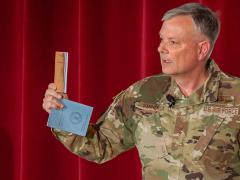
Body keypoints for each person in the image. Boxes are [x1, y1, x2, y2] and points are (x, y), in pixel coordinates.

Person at [42, 3, 240, 180]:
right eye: (161, 40)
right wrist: (62, 111)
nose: (160, 48)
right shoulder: (144, 93)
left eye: (173, 42)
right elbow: (100, 146)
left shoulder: (236, 97)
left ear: (202, 49)